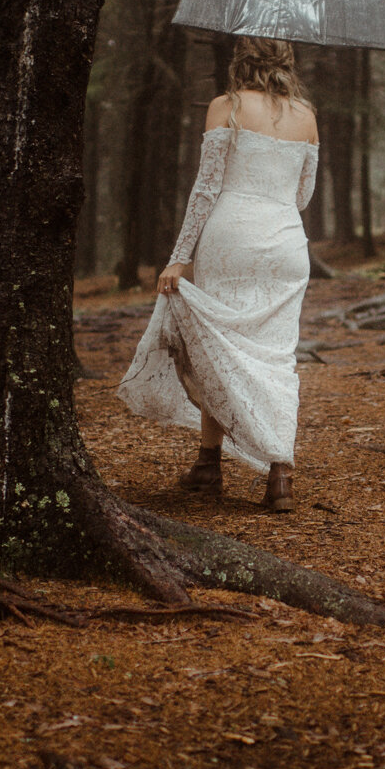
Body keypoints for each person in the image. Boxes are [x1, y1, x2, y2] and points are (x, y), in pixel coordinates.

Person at [118, 35, 319, 512]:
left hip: (230, 238)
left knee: (213, 348)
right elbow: (303, 195)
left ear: (240, 63)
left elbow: (206, 189)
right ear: (286, 64)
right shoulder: (307, 117)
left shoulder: (225, 107)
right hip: (286, 242)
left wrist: (179, 255)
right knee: (276, 357)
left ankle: (210, 464)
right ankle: (279, 478)